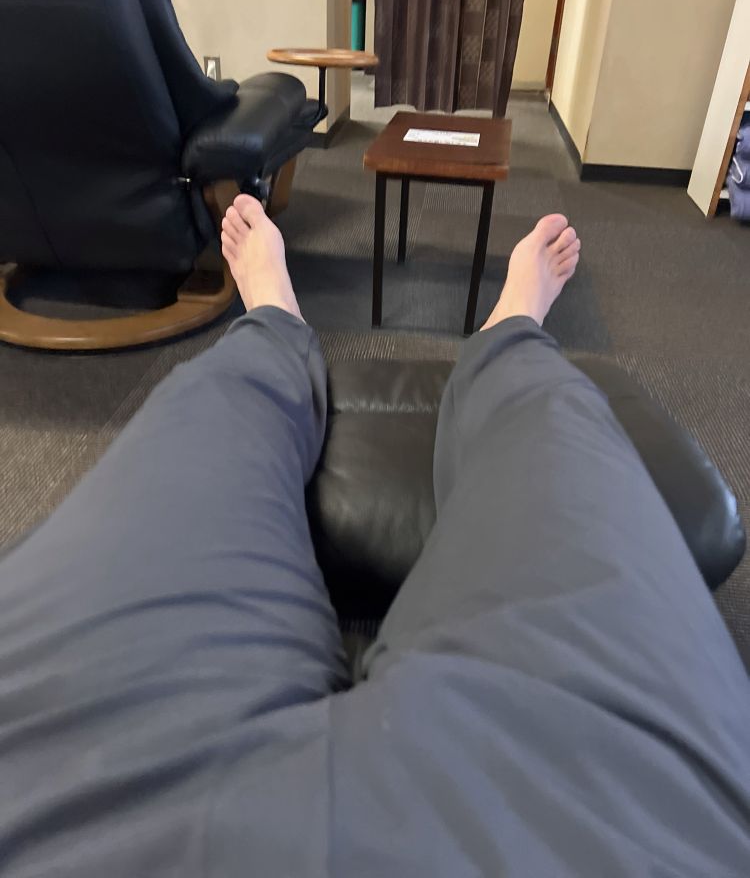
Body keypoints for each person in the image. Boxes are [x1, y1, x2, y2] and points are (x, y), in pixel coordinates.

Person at [0, 197, 748, 878]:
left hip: (63, 799)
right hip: (613, 821)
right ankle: (512, 335)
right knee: (549, 412)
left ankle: (275, 322)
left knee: (213, 402)